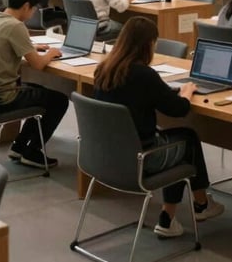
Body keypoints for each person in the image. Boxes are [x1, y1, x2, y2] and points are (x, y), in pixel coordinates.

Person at [93, 17, 224, 237]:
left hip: (107, 156)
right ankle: (180, 213)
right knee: (187, 139)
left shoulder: (104, 69)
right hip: (142, 159)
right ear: (147, 45)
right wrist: (187, 92)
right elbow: (179, 110)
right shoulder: (144, 75)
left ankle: (199, 204)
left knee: (177, 137)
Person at [0, 0, 69, 169]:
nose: (33, 12)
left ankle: (19, 146)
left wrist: (31, 48)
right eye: (34, 8)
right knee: (58, 100)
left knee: (40, 92)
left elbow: (8, 43)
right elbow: (38, 65)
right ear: (26, 6)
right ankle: (32, 151)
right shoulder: (16, 26)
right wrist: (50, 53)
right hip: (5, 96)